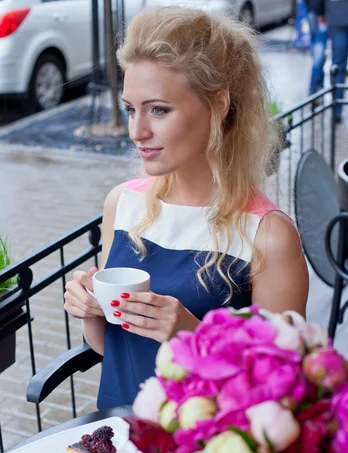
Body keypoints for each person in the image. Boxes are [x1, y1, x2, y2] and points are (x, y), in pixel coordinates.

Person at [64, 7, 309, 409]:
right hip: (119, 446)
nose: (136, 131)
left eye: (158, 109)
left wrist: (192, 337)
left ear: (219, 106)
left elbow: (280, 398)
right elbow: (116, 352)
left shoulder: (268, 236)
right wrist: (90, 311)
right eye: (131, 109)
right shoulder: (122, 205)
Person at [313, 0, 348, 122]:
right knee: (338, 67)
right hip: (336, 14)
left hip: (336, 13)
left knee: (338, 66)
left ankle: (336, 110)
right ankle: (336, 109)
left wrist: (320, 11)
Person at [304, 0, 328, 98]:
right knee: (319, 49)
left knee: (317, 49)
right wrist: (321, 12)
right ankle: (313, 90)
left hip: (313, 8)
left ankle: (318, 86)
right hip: (319, 11)